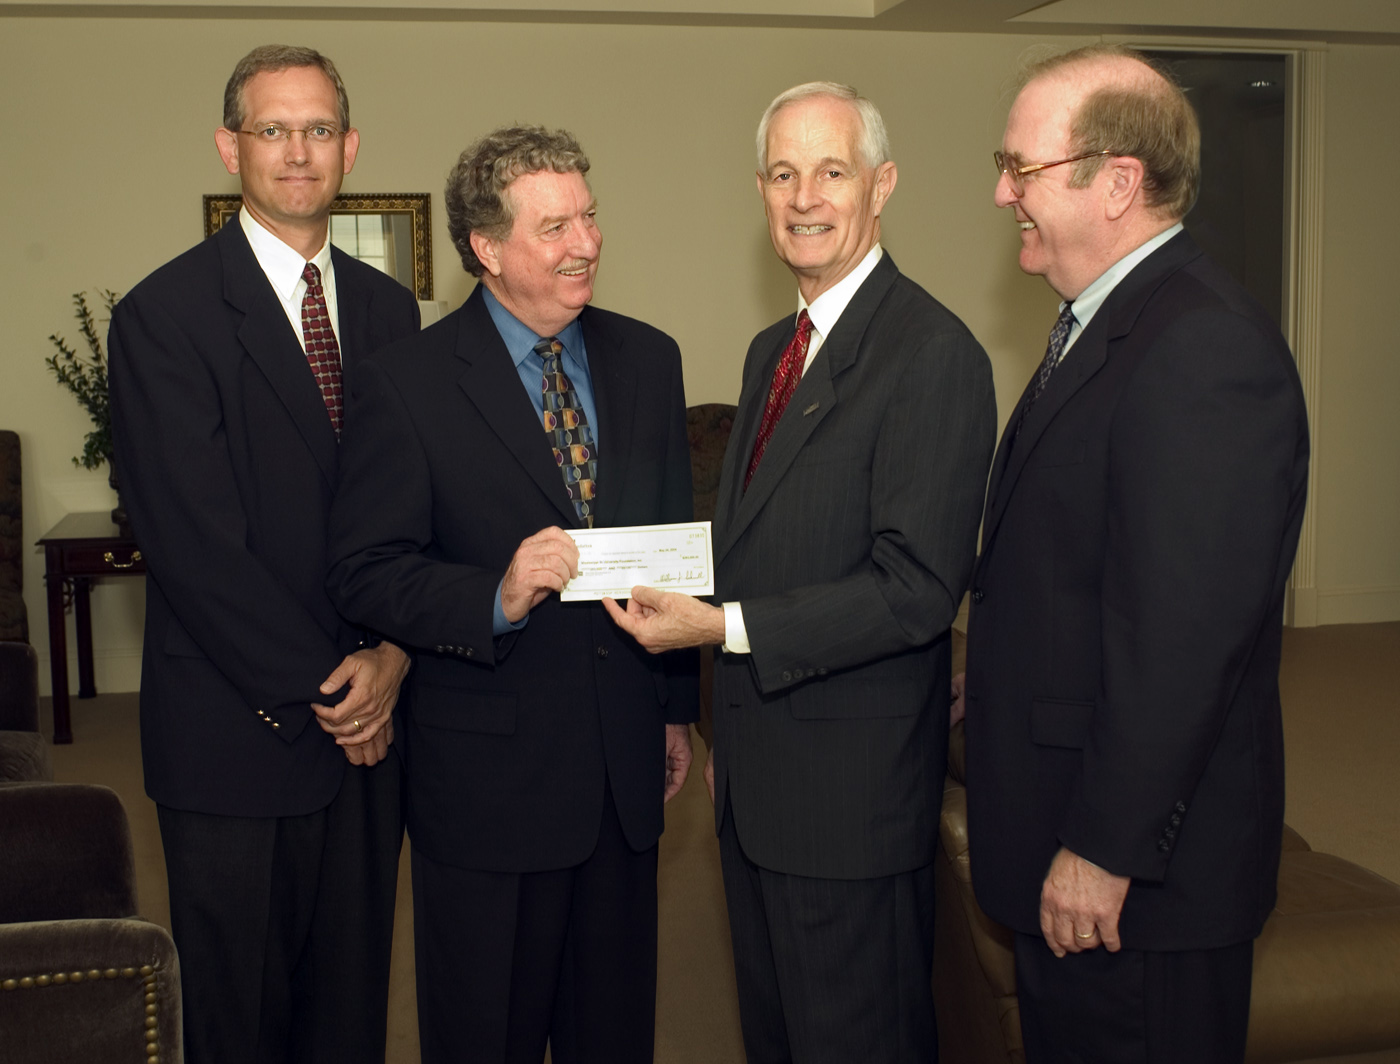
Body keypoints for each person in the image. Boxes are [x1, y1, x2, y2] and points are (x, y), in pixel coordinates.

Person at [605, 82, 995, 1063]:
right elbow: (752, 542)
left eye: (830, 170)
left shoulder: (930, 353)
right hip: (758, 792)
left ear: (881, 185)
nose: (803, 195)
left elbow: (912, 589)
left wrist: (720, 628)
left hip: (847, 804)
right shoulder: (769, 350)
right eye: (782, 173)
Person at [960, 44, 1310, 1063]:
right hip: (1073, 834)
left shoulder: (1201, 348)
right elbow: (1080, 569)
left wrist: (1105, 846)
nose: (998, 193)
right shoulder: (1104, 323)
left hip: (1135, 887)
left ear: (1115, 182)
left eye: (1018, 168)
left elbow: (1180, 642)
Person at [324, 125, 698, 1064]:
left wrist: (676, 712)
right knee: (484, 1032)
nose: (587, 242)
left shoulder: (650, 361)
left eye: (590, 215)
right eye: (556, 226)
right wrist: (495, 591)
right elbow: (366, 570)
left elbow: (671, 548)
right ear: (488, 250)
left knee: (610, 1032)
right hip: (488, 789)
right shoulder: (406, 384)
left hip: (621, 771)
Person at [107, 44, 419, 1064]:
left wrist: (394, 654)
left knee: (348, 1012)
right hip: (240, 733)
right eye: (273, 128)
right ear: (229, 145)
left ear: (350, 147)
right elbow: (196, 547)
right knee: (241, 1020)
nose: (297, 150)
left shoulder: (385, 310)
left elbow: (410, 509)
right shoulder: (165, 314)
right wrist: (340, 687)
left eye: (318, 129)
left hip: (373, 732)